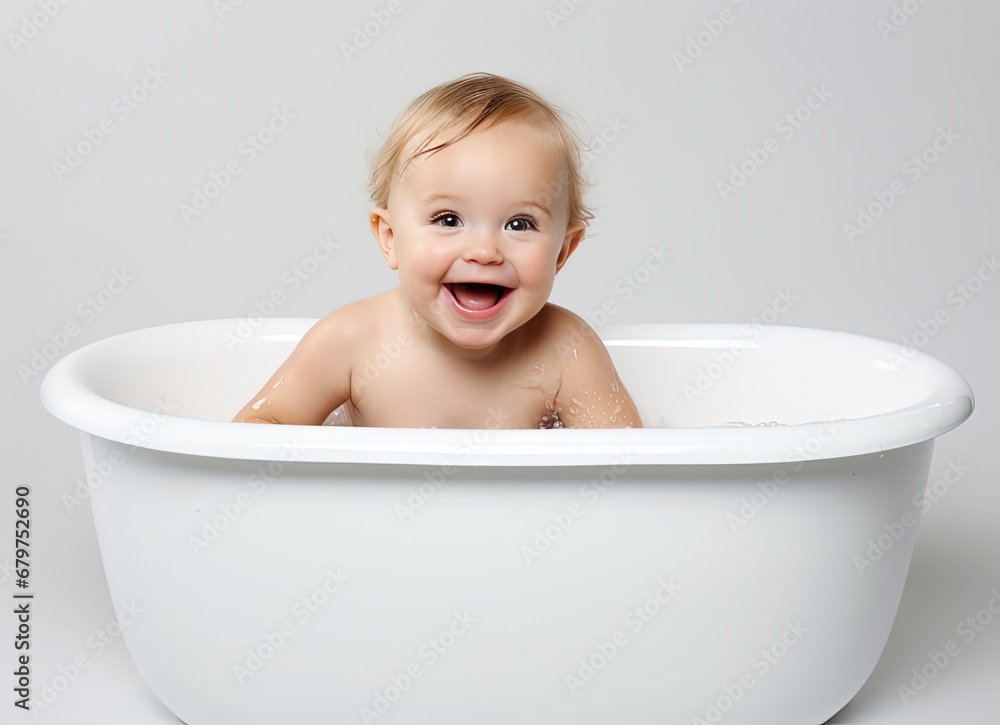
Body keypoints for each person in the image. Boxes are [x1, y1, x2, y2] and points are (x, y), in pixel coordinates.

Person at [232, 72, 643, 429]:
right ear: (390, 238)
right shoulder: (352, 341)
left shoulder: (566, 351)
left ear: (562, 252)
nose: (484, 251)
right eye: (448, 220)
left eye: (519, 224)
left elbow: (627, 469)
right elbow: (257, 428)